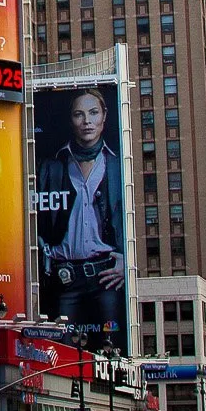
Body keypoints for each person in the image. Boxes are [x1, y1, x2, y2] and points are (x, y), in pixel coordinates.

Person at [33, 88, 126, 346]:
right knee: (62, 353)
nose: (87, 121)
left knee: (113, 351)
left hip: (107, 276)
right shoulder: (52, 165)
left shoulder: (117, 163)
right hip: (66, 278)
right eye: (79, 114)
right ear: (71, 120)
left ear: (105, 116)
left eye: (93, 113)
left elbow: (128, 222)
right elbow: (33, 215)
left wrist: (125, 261)